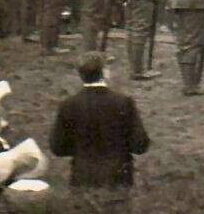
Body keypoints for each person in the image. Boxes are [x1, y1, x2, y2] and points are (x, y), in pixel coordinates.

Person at [49, 51, 149, 189]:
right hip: (118, 177)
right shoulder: (123, 102)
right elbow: (140, 144)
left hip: (83, 177)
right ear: (105, 72)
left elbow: (58, 148)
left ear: (80, 74)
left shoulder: (68, 105)